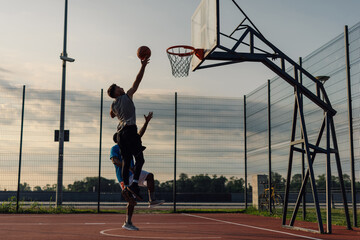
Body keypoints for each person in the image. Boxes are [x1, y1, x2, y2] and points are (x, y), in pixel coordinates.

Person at [110, 112, 164, 231]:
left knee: (150, 176)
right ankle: (127, 222)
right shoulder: (115, 148)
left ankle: (152, 200)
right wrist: (129, 167)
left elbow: (139, 135)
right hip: (125, 178)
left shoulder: (129, 144)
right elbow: (114, 161)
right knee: (132, 201)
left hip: (134, 174)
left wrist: (146, 123)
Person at [107, 58, 149, 202]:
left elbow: (112, 115)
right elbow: (137, 81)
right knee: (140, 159)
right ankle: (135, 185)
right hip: (130, 131)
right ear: (116, 93)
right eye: (118, 87)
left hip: (120, 135)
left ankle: (125, 188)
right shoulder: (127, 96)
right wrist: (143, 66)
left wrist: (113, 103)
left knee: (126, 160)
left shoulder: (113, 105)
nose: (121, 87)